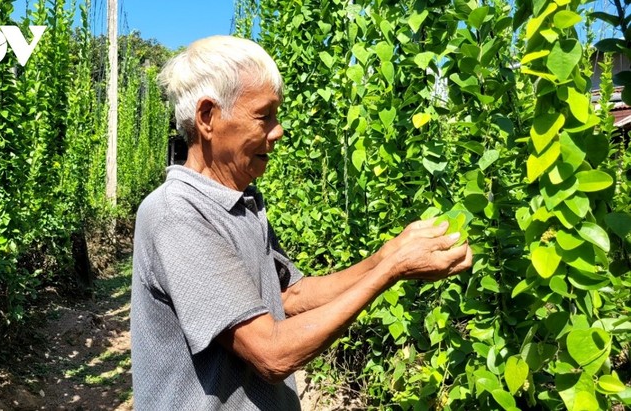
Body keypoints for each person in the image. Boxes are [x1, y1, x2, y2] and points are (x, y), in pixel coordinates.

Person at [130, 35, 473, 410]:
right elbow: (271, 353)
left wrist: (387, 255)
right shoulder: (176, 214)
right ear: (208, 117)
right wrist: (391, 270)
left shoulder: (242, 201)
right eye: (264, 115)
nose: (278, 131)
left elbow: (291, 297)